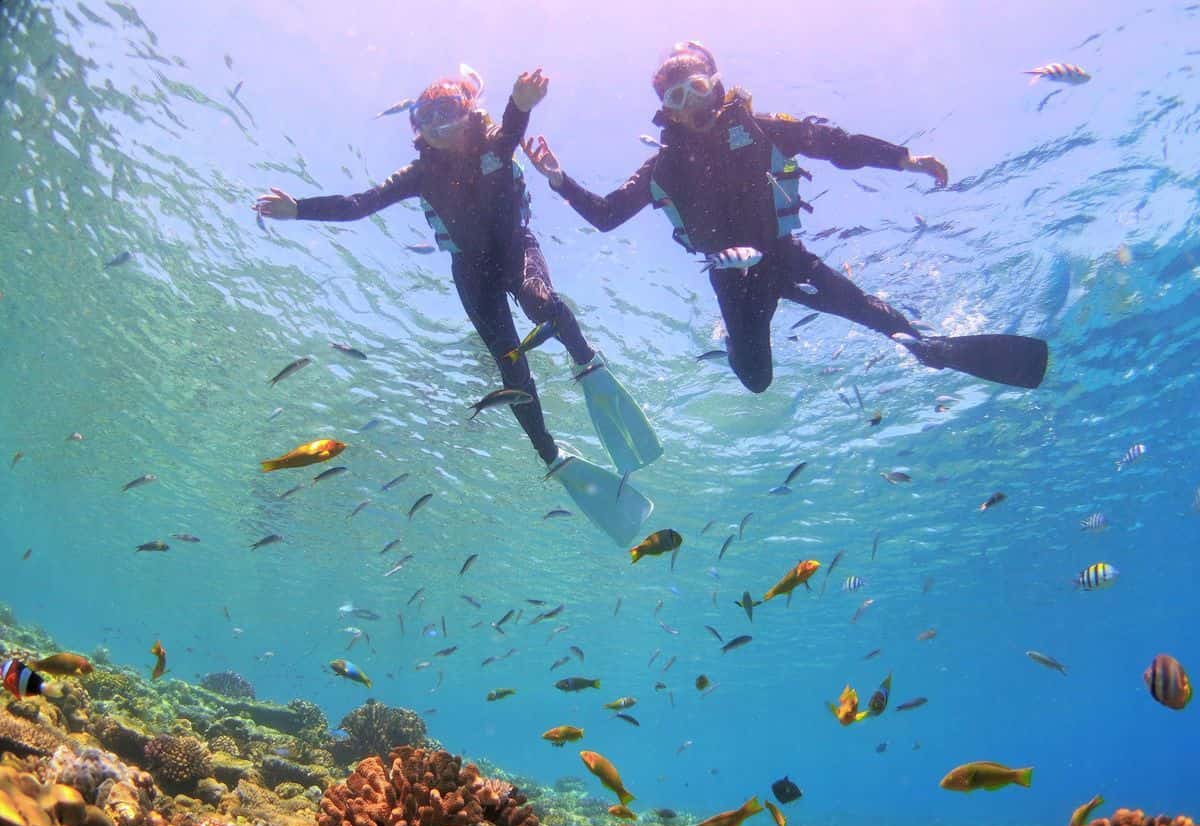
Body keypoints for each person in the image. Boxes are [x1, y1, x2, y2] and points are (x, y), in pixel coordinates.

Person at [254, 67, 660, 546]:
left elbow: (513, 125)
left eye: (446, 111)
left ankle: (587, 364)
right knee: (511, 369)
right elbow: (361, 203)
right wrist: (299, 209)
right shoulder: (420, 174)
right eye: (426, 117)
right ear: (417, 129)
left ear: (468, 112)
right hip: (471, 272)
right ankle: (551, 455)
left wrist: (521, 102)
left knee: (540, 303)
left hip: (516, 249)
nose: (437, 124)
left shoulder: (496, 146)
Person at [524, 41, 1048, 394]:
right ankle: (733, 343)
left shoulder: (760, 128)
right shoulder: (662, 167)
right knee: (756, 381)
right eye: (677, 98)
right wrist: (558, 178)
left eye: (697, 88)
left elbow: (836, 144)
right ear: (668, 112)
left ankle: (936, 350)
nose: (691, 105)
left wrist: (905, 158)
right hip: (733, 283)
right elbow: (608, 215)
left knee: (889, 326)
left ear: (716, 86)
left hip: (787, 259)